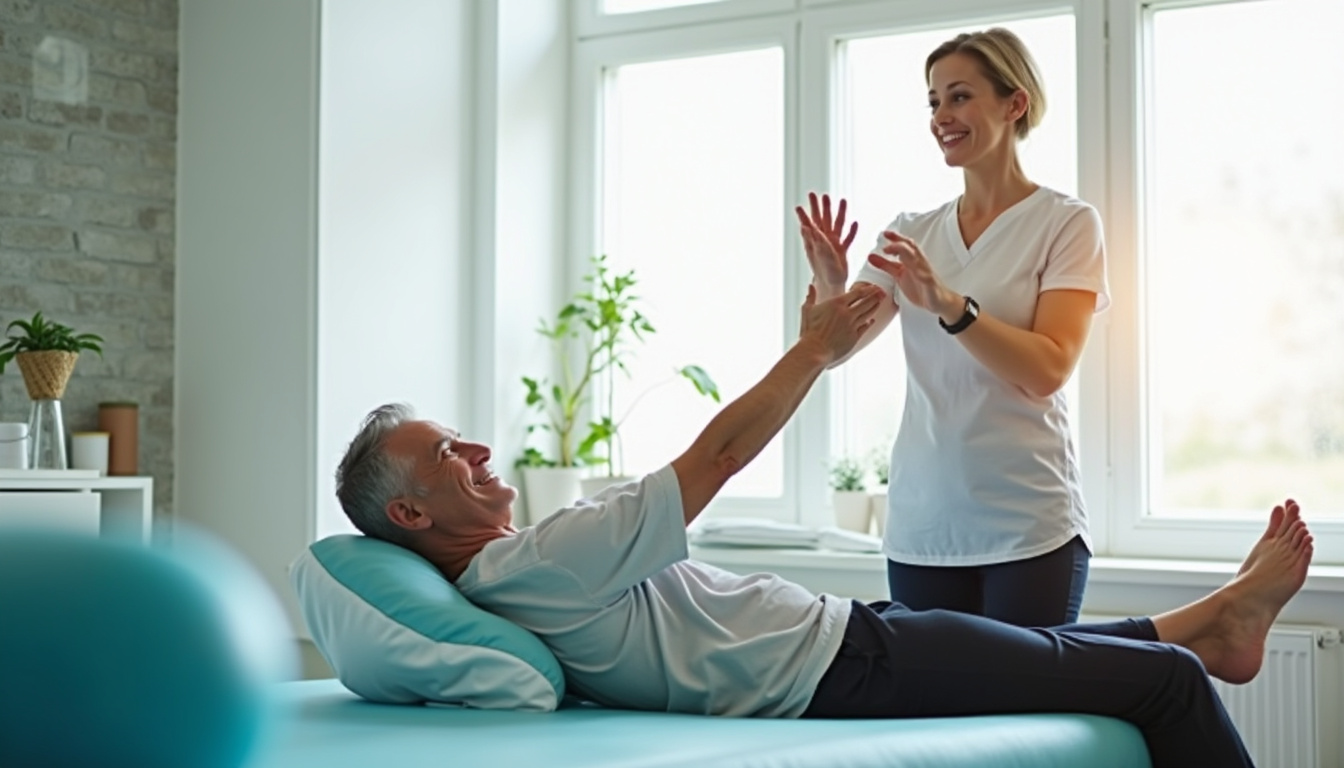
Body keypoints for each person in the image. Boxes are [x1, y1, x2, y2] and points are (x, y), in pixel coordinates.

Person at [334, 282, 1310, 768]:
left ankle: (1219, 618)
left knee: (1043, 650)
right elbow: (716, 457)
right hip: (844, 664)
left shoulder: (504, 577)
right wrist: (814, 351)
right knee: (1167, 689)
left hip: (846, 643)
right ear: (413, 512)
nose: (478, 455)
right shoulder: (537, 563)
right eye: (448, 456)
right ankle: (1207, 635)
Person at [796, 27, 1107, 626]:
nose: (942, 115)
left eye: (960, 96)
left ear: (1014, 103)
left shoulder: (1066, 223)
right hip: (923, 528)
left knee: (1027, 706)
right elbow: (831, 351)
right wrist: (833, 282)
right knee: (935, 714)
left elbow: (1048, 368)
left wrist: (948, 303)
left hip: (1028, 527)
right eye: (934, 101)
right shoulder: (909, 232)